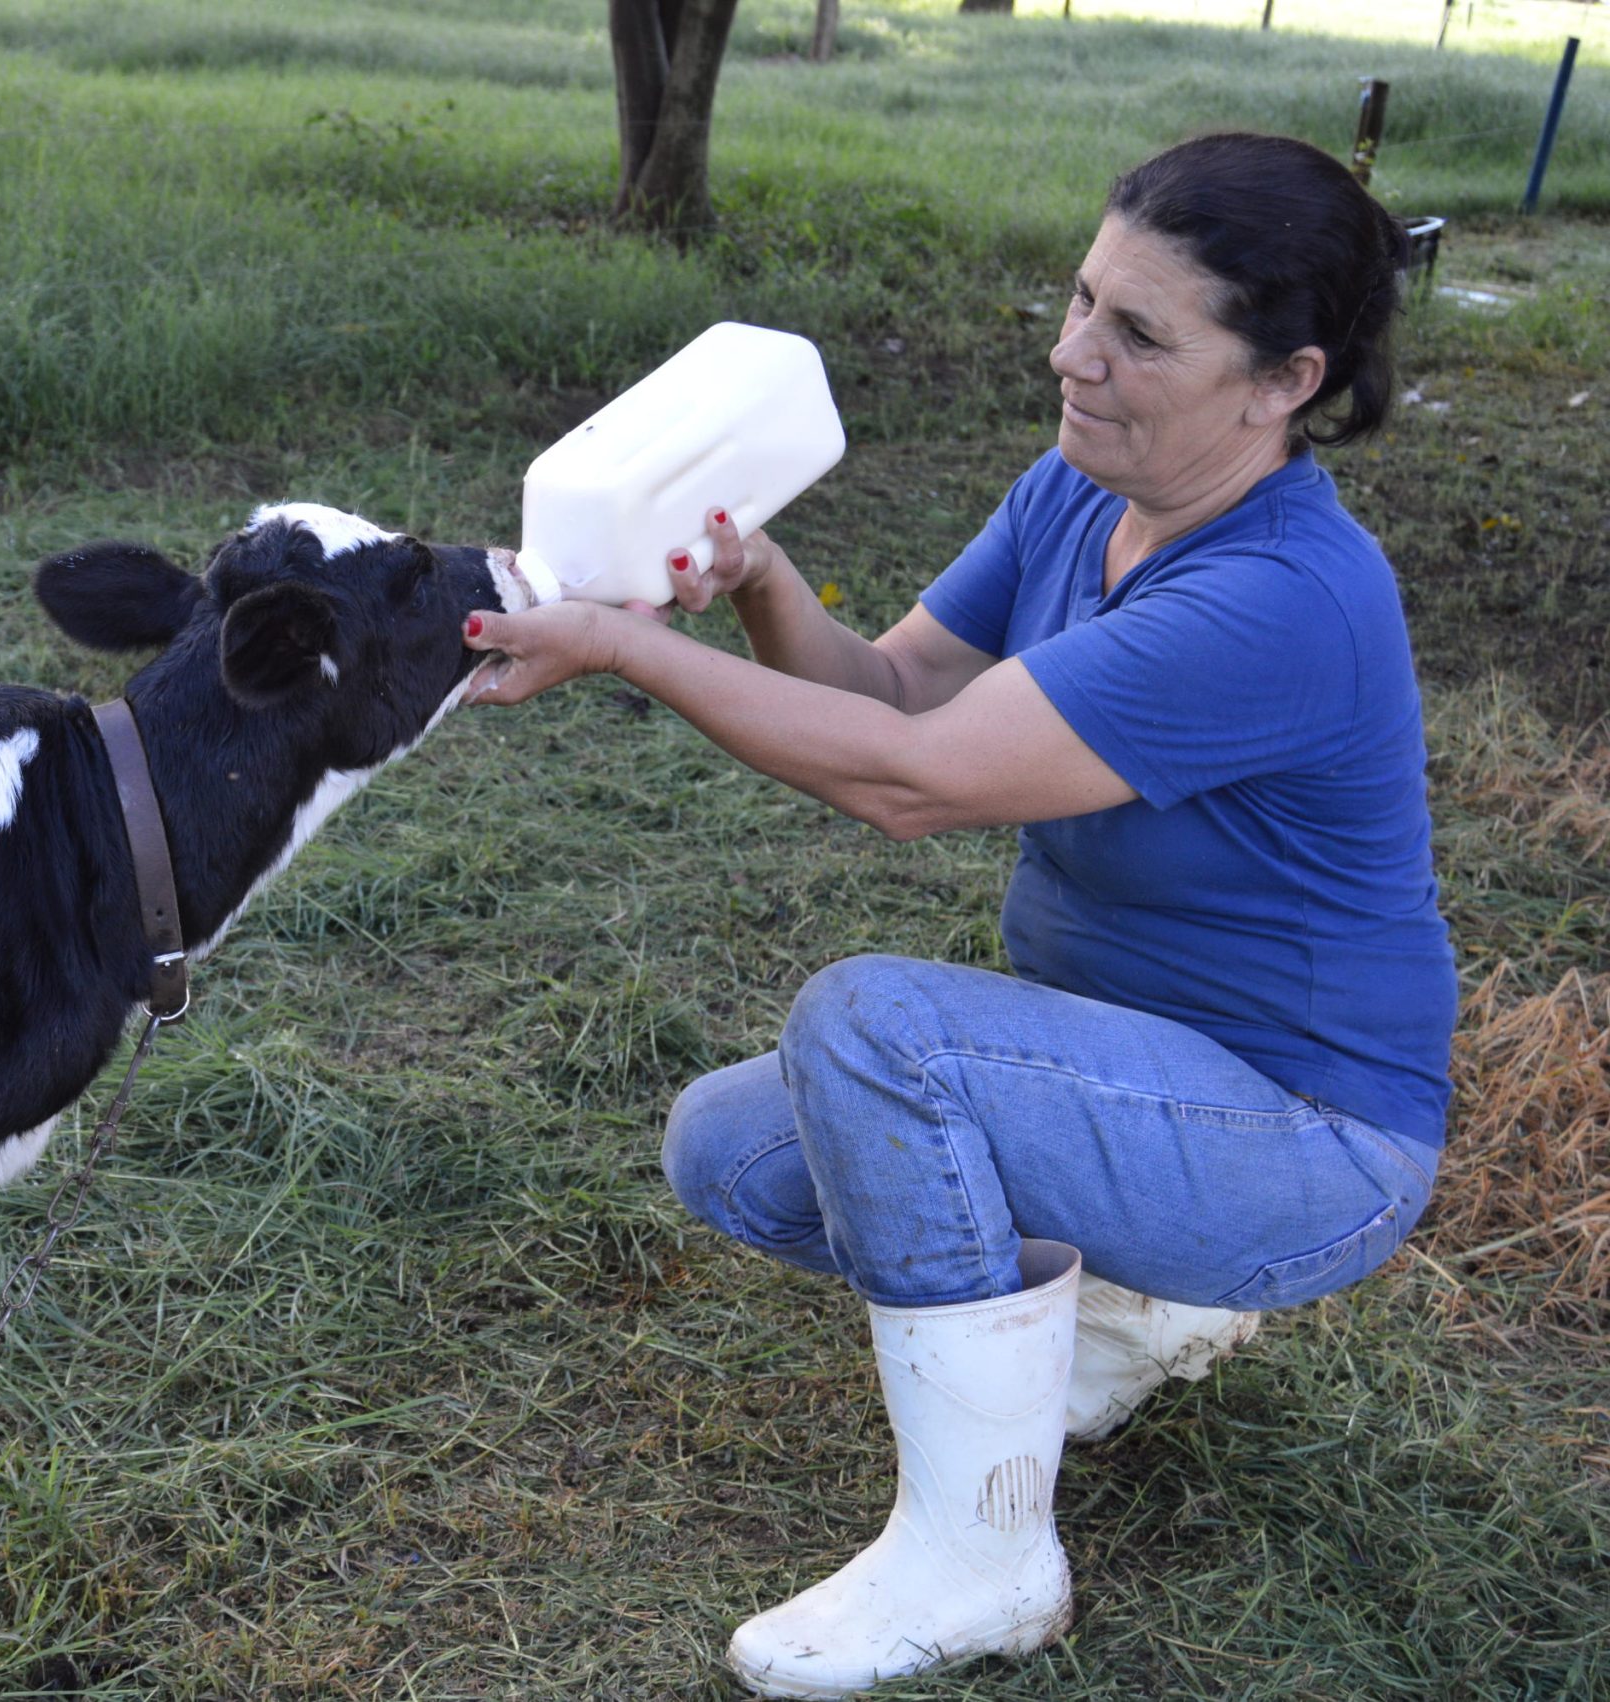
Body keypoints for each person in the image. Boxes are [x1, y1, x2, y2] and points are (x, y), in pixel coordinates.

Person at [460, 132, 1453, 1698]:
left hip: (1315, 1142)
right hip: (1148, 1070)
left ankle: (983, 1553)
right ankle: (1128, 1305)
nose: (1073, 355)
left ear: (1281, 382)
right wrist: (768, 583)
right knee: (732, 1147)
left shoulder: (1282, 596)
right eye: (1081, 300)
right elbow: (901, 684)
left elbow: (912, 780)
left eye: (1139, 335)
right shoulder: (1077, 487)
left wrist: (623, 647)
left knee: (878, 1030)